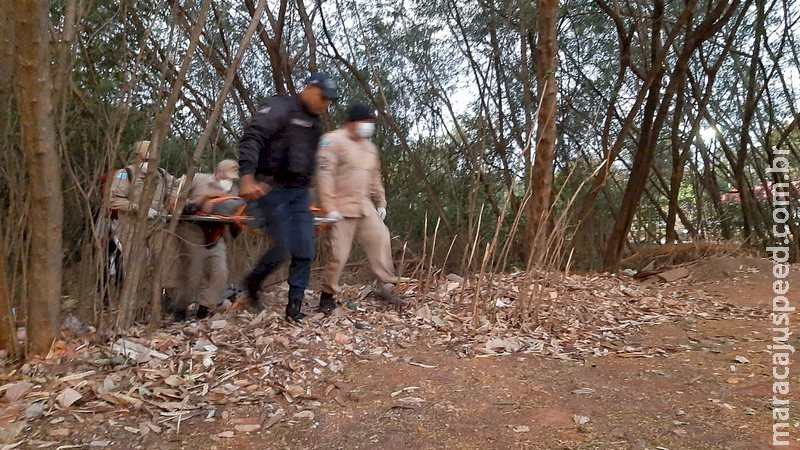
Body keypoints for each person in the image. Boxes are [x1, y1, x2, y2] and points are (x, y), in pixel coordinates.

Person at [238, 73, 338, 323]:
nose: (324, 104)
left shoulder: (315, 124)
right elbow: (253, 138)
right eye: (322, 97)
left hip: (300, 193)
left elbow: (310, 160)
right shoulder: (281, 107)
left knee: (305, 250)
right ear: (310, 88)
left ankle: (294, 308)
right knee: (283, 246)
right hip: (270, 188)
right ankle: (252, 283)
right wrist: (247, 177)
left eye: (329, 100)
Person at [315, 104, 403, 315]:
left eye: (370, 123)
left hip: (364, 205)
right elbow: (324, 175)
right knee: (339, 254)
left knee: (381, 238)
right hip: (340, 205)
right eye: (365, 123)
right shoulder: (332, 141)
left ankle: (386, 285)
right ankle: (327, 296)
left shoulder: (369, 148)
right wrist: (328, 207)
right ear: (352, 123)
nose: (367, 127)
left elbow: (374, 177)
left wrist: (381, 202)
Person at [166, 159, 240, 320]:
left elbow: (234, 211)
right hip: (190, 231)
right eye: (226, 175)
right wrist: (196, 202)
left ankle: (206, 306)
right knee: (192, 272)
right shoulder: (197, 179)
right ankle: (180, 308)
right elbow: (174, 196)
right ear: (218, 172)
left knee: (220, 272)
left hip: (214, 233)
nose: (228, 179)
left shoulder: (233, 190)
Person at [108, 140, 178, 263]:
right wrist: (137, 208)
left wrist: (170, 204)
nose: (148, 163)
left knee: (163, 261)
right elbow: (113, 200)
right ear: (137, 157)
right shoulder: (125, 174)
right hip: (131, 227)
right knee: (135, 264)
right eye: (145, 159)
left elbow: (176, 186)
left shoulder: (161, 173)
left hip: (157, 225)